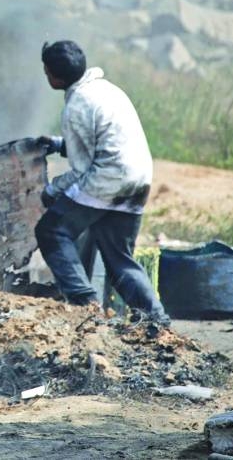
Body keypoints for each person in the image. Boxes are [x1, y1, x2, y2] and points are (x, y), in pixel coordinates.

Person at [34, 40, 168, 324]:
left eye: (46, 73)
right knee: (119, 258)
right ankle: (157, 320)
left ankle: (85, 306)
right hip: (138, 179)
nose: (46, 77)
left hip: (107, 180)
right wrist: (59, 144)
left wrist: (52, 189)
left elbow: (83, 170)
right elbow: (102, 142)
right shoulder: (107, 89)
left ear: (56, 77)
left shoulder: (76, 106)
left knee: (51, 231)